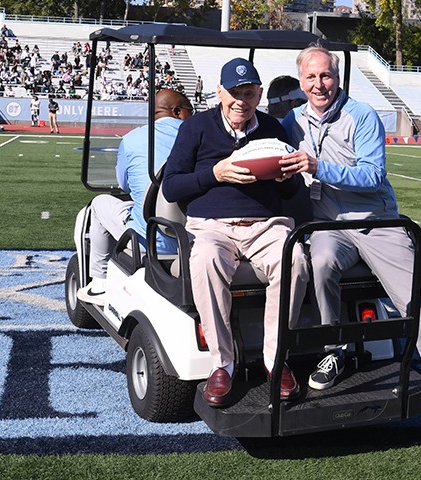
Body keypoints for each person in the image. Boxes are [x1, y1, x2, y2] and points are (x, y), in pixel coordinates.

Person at [281, 45, 421, 457]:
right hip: (328, 228)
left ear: (337, 77)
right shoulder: (291, 121)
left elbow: (373, 176)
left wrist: (318, 166)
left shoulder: (362, 115)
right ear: (300, 82)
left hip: (376, 223)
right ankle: (334, 350)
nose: (319, 85)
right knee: (317, 262)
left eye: (326, 76)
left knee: (419, 308)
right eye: (311, 78)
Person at [163, 58, 310, 407]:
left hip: (266, 225)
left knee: (297, 262)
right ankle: (223, 364)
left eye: (248, 93)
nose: (240, 101)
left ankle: (276, 360)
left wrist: (286, 179)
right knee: (204, 261)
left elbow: (294, 191)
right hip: (212, 227)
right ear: (220, 92)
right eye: (234, 93)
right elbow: (172, 187)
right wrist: (217, 173)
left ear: (259, 95)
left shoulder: (274, 129)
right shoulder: (196, 128)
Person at [77, 89, 194, 305]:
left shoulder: (132, 139)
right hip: (195, 239)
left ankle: (100, 282)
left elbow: (124, 184)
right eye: (191, 110)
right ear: (177, 111)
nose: (193, 116)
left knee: (99, 203)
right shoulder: (202, 137)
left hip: (148, 240)